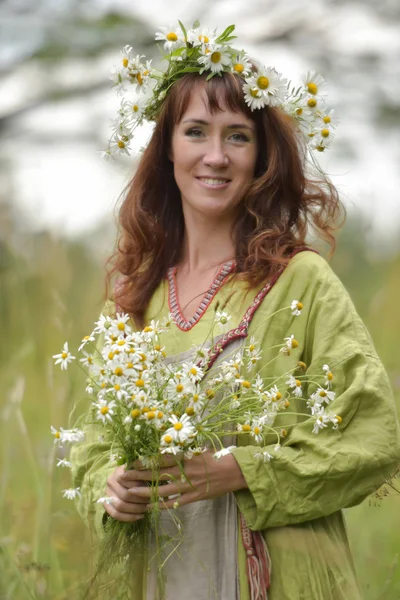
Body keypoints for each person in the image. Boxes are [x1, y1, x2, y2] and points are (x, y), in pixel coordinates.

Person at [71, 22, 400, 600]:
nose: (216, 156)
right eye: (196, 131)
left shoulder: (300, 282)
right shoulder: (134, 298)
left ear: (261, 155)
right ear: (168, 148)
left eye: (238, 136)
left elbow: (375, 436)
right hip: (160, 576)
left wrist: (243, 471)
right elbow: (92, 443)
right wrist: (111, 486)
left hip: (273, 579)